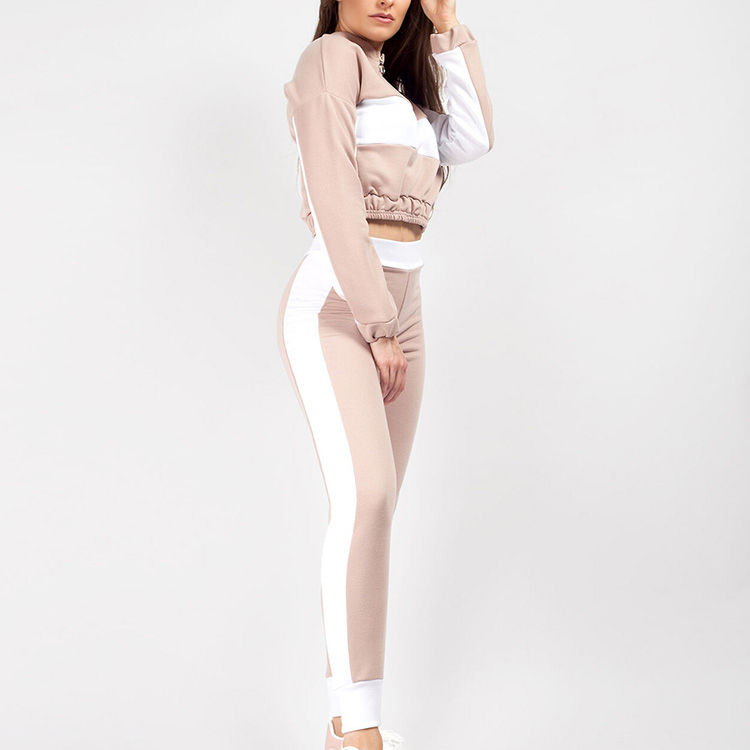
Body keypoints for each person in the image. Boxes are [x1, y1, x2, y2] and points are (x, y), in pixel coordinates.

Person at [277, 1, 493, 748]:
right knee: (366, 497)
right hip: (340, 307)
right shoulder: (330, 60)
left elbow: (472, 138)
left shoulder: (401, 84)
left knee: (376, 509)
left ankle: (346, 720)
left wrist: (447, 28)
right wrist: (375, 323)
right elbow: (333, 195)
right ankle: (361, 728)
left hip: (407, 306)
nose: (386, 0)